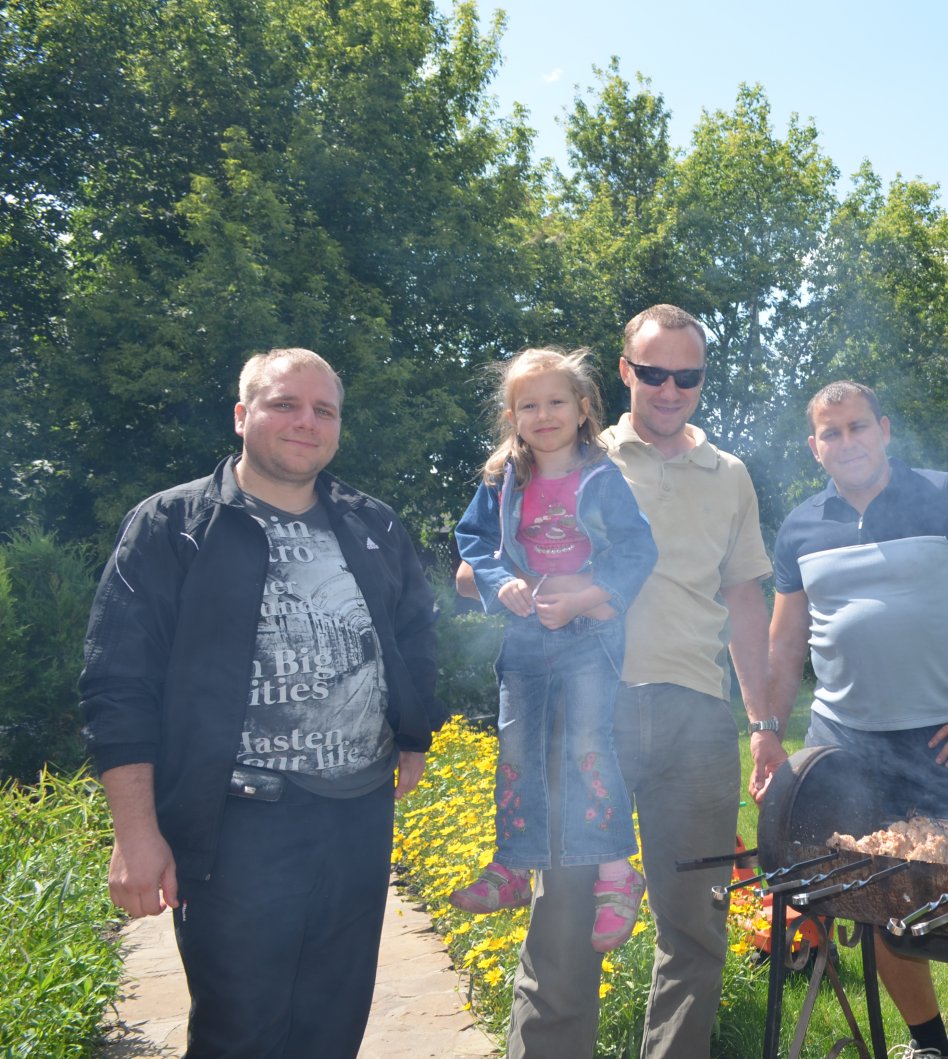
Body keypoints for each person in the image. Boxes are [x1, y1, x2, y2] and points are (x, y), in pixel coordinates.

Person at [80, 347, 444, 1058]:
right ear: (242, 416)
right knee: (240, 1033)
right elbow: (117, 681)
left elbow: (413, 632)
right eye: (285, 404)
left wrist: (412, 731)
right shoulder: (174, 525)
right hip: (237, 825)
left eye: (324, 410)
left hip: (357, 817)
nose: (307, 421)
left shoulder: (372, 524)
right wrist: (136, 832)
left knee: (332, 1028)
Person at [502, 305, 774, 1059]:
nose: (669, 389)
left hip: (697, 721)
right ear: (625, 371)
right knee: (563, 923)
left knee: (695, 926)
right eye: (653, 373)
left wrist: (763, 724)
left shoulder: (730, 475)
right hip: (585, 712)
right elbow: (487, 551)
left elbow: (744, 600)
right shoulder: (572, 454)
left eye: (687, 376)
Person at [762, 380, 948, 1059]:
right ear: (814, 447)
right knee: (877, 909)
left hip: (942, 746)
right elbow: (784, 641)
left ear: (885, 429)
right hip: (842, 750)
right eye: (831, 433)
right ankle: (929, 1044)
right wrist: (766, 731)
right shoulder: (800, 527)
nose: (847, 442)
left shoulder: (945, 498)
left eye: (858, 427)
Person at [451, 348, 658, 954]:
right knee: (517, 744)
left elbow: (637, 550)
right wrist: (499, 583)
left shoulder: (602, 477)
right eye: (529, 405)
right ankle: (515, 863)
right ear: (512, 417)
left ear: (583, 408)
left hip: (588, 633)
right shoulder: (502, 480)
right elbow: (474, 543)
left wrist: (589, 598)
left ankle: (616, 871)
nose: (544, 415)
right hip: (524, 633)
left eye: (556, 402)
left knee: (589, 743)